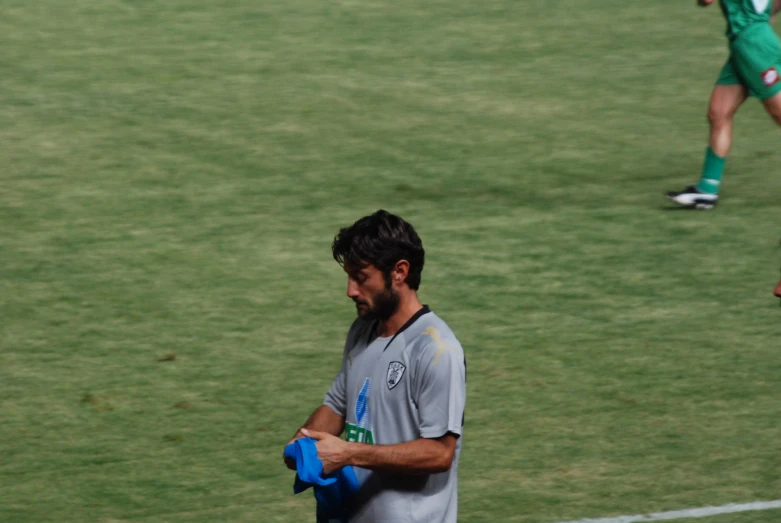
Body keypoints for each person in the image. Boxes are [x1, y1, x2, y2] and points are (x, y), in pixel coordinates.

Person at [282, 209, 466, 523]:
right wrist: (305, 440)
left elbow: (439, 453)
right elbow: (338, 404)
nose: (350, 290)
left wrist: (348, 453)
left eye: (361, 277)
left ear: (399, 272)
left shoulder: (436, 349)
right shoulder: (363, 330)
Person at [667, 0, 781, 209]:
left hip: (754, 45)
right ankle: (707, 190)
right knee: (718, 112)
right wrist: (765, 16)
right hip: (745, 42)